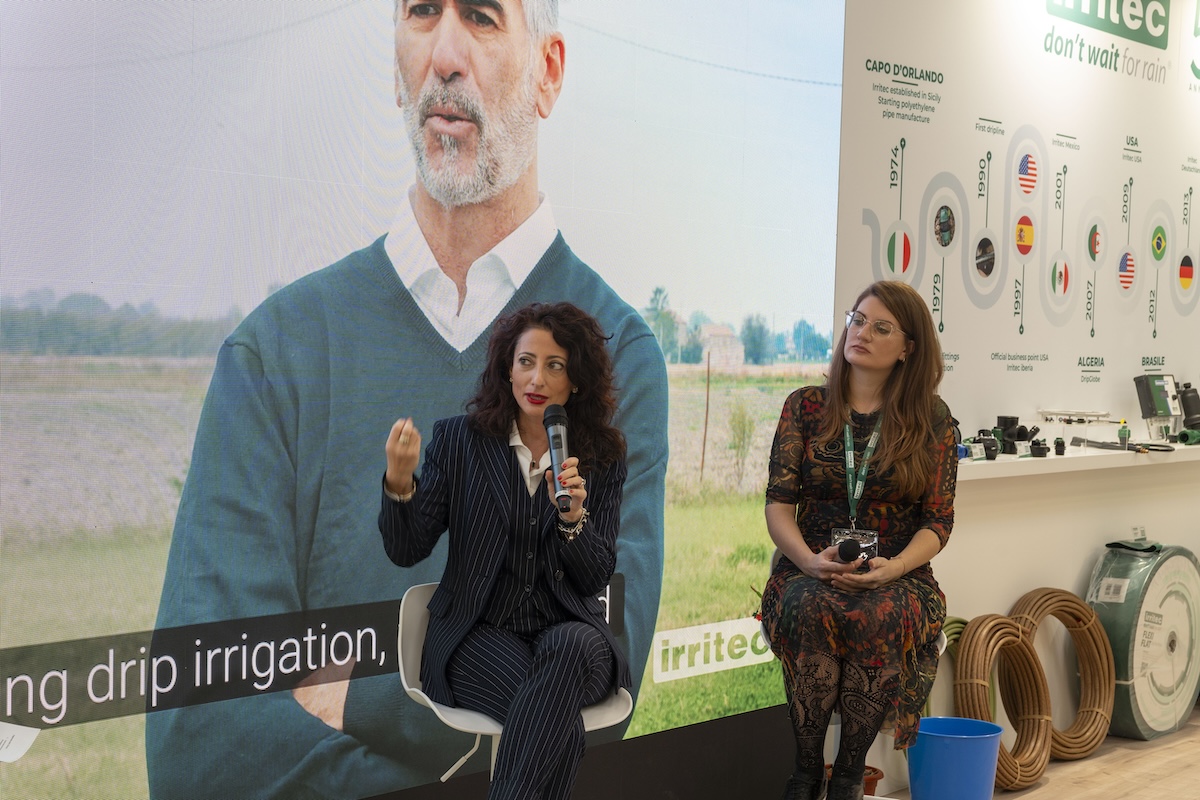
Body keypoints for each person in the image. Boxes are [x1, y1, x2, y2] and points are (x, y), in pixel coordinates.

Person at [146, 2, 668, 798]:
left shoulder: (618, 360)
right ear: (396, 65)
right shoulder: (276, 354)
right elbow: (201, 740)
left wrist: (358, 699)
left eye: (485, 18)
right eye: (422, 13)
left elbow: (593, 687)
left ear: (548, 72)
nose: (445, 54)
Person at [380, 302, 628, 800]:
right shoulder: (460, 442)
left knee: (569, 654)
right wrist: (400, 481)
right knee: (553, 724)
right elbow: (407, 549)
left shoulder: (601, 455)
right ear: (507, 370)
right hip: (477, 634)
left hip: (569, 634)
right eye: (525, 361)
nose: (537, 377)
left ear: (575, 379)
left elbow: (595, 578)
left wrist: (575, 519)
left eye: (555, 365)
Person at [759, 280, 958, 800]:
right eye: (857, 319)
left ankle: (848, 777)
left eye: (881, 327)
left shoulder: (931, 419)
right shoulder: (804, 407)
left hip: (897, 573)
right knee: (807, 608)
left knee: (877, 615)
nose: (862, 333)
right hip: (809, 565)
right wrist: (805, 561)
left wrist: (895, 568)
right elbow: (779, 505)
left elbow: (938, 522)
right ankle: (806, 775)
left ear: (908, 348)